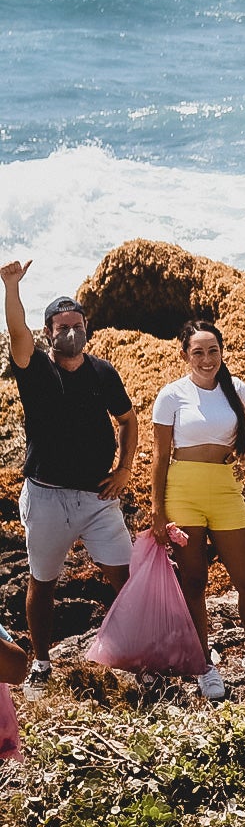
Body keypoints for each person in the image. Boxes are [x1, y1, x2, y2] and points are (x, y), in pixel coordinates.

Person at [1, 263, 138, 696]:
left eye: (76, 325)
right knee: (43, 582)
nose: (70, 333)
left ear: (86, 329)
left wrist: (125, 470)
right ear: (48, 333)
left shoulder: (103, 372)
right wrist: (11, 287)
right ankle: (42, 661)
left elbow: (128, 420)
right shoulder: (35, 366)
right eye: (61, 327)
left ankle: (132, 650)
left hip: (99, 497)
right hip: (46, 496)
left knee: (126, 578)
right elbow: (17, 329)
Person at [151, 320, 245, 700]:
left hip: (225, 490)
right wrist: (157, 509)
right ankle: (205, 664)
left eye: (213, 351)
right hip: (183, 491)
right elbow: (159, 456)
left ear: (222, 352)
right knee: (195, 581)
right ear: (185, 355)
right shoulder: (171, 395)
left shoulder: (237, 388)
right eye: (198, 352)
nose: (207, 359)